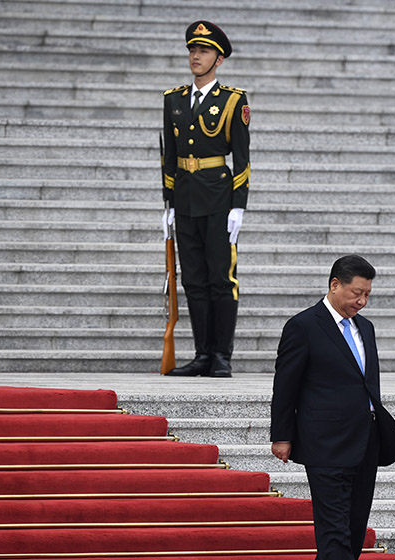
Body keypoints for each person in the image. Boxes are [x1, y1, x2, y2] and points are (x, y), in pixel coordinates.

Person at [269, 255, 395, 560]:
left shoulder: (366, 328)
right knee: (332, 530)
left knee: (352, 528)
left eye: (367, 294)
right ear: (334, 285)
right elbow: (286, 386)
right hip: (324, 444)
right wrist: (281, 435)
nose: (362, 301)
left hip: (365, 440)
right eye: (356, 292)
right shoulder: (303, 326)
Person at [162, 20, 250, 377]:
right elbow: (170, 154)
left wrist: (239, 205)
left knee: (221, 278)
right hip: (184, 198)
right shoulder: (174, 100)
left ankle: (221, 356)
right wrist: (168, 202)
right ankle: (201, 354)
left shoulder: (232, 100)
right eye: (192, 50)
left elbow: (242, 157)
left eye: (204, 51)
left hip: (218, 197)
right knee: (193, 279)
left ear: (219, 59)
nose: (196, 56)